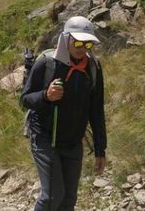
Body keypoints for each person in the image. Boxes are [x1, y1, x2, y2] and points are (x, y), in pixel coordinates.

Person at [21, 15, 107, 211]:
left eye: (88, 44)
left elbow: (96, 109)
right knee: (52, 196)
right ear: (65, 38)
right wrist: (46, 96)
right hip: (44, 138)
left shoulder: (93, 67)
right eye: (77, 41)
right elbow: (25, 100)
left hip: (73, 142)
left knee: (68, 200)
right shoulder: (46, 63)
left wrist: (100, 149)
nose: (82, 47)